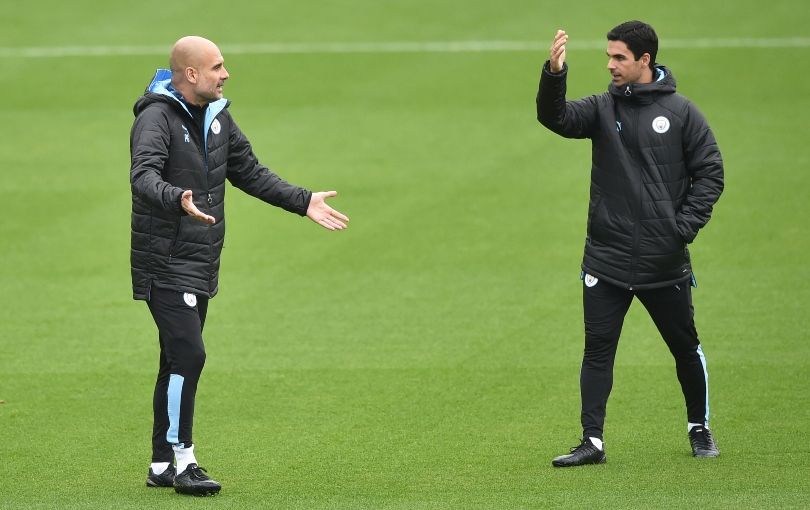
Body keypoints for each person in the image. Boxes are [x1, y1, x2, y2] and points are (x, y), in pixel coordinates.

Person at [130, 36, 349, 495]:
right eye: (217, 67)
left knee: (175, 359)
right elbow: (144, 175)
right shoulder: (156, 118)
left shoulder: (217, 116)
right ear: (190, 74)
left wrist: (302, 200)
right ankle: (184, 459)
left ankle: (160, 464)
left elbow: (248, 171)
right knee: (189, 354)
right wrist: (177, 198)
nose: (225, 74)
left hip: (201, 259)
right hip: (165, 260)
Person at [536, 21, 724, 467]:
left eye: (619, 57)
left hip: (663, 262)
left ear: (645, 60)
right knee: (597, 350)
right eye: (608, 56)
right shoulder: (603, 109)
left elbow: (711, 174)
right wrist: (554, 72)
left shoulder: (682, 113)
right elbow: (555, 118)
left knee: (685, 347)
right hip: (606, 257)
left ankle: (699, 427)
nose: (610, 65)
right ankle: (592, 441)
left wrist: (681, 229)